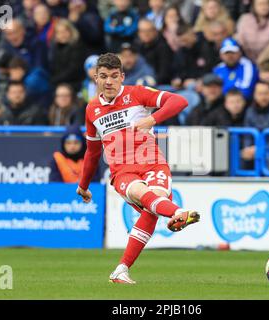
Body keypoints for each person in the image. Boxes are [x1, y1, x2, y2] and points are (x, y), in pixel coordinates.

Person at [76, 53, 200, 284]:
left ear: (122, 77)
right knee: (141, 193)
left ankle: (121, 270)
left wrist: (153, 119)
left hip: (153, 163)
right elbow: (92, 152)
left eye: (114, 76)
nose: (109, 82)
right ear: (96, 78)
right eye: (103, 76)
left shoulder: (137, 94)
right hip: (123, 172)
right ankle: (176, 212)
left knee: (153, 205)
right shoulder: (92, 110)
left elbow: (179, 102)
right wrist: (83, 185)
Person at [241, 81, 269, 167]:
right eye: (260, 94)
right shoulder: (250, 111)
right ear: (254, 95)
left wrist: (261, 148)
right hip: (254, 149)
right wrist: (248, 148)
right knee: (240, 158)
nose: (263, 97)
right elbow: (247, 134)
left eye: (266, 93)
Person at [136, 18, 173, 85]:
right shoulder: (137, 47)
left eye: (149, 30)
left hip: (159, 86)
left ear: (155, 32)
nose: (146, 34)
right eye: (142, 31)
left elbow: (164, 74)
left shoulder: (163, 48)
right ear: (139, 33)